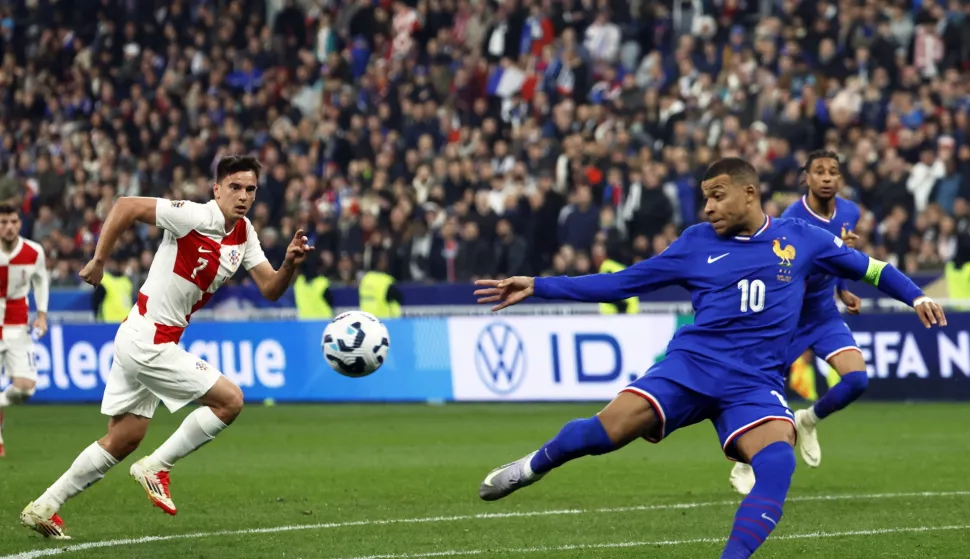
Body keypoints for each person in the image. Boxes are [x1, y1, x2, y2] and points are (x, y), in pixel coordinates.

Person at [473, 157, 945, 559]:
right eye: (705, 199)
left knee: (778, 465)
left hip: (754, 384)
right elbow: (621, 283)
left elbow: (872, 270)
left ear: (749, 193)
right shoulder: (696, 242)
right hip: (691, 367)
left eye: (718, 196)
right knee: (602, 434)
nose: (709, 208)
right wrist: (539, 285)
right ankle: (533, 465)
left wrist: (917, 296)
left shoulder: (802, 239)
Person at [20, 155, 313, 540]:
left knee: (124, 438)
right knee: (230, 401)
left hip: (145, 336)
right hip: (148, 339)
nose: (243, 196)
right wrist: (98, 261)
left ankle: (44, 507)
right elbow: (126, 206)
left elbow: (271, 289)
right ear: (217, 190)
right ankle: (156, 466)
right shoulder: (193, 216)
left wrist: (289, 264)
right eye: (235, 187)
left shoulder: (243, 234)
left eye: (250, 189)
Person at [729, 150, 863, 495]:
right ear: (806, 178)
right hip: (789, 318)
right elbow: (787, 271)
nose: (827, 177)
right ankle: (745, 461)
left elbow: (839, 258)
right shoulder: (792, 219)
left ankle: (808, 419)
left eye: (833, 171)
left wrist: (842, 289)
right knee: (760, 390)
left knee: (857, 380)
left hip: (823, 313)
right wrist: (835, 255)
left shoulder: (850, 212)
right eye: (819, 171)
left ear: (840, 177)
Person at [0, 204, 50, 458]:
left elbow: (41, 281)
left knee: (25, 388)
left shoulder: (34, 251)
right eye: (3, 222)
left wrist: (41, 315)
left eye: (13, 221)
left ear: (20, 224)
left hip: (18, 326)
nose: (9, 227)